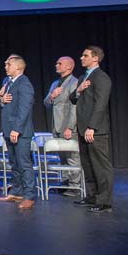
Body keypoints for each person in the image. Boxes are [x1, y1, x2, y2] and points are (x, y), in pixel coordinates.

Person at [70, 46, 113, 213]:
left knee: (100, 166)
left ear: (95, 58)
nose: (81, 58)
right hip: (83, 129)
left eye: (85, 55)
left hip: (95, 130)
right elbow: (72, 98)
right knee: (87, 165)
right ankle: (92, 196)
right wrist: (79, 90)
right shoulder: (82, 77)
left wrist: (92, 127)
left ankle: (105, 201)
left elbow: (101, 105)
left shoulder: (101, 77)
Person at [0, 55, 36, 209]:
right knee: (14, 163)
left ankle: (29, 195)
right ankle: (17, 191)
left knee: (24, 163)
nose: (5, 66)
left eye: (9, 64)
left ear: (18, 68)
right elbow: (4, 102)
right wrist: (1, 99)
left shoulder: (24, 83)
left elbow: (25, 108)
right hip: (8, 129)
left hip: (19, 131)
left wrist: (17, 129)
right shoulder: (8, 82)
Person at [43, 56, 81, 197]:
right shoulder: (55, 83)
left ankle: (74, 186)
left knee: (72, 157)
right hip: (56, 126)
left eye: (60, 63)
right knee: (62, 157)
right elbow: (46, 103)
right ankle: (65, 182)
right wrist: (52, 96)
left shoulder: (75, 83)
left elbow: (74, 107)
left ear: (69, 67)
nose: (56, 65)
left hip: (68, 127)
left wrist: (70, 127)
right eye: (57, 62)